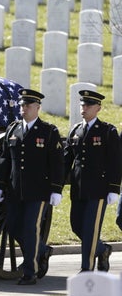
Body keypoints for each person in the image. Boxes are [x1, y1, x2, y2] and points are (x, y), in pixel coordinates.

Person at [0, 89, 63, 285]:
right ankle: (42, 250)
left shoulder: (49, 131)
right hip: (15, 190)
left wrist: (56, 189)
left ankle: (29, 272)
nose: (23, 108)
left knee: (30, 228)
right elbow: (5, 159)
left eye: (28, 105)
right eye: (22, 105)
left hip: (38, 191)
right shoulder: (13, 130)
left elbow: (57, 163)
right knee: (14, 227)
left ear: (37, 108)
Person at [64, 90, 121, 272]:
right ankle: (102, 249)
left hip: (99, 189)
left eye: (88, 105)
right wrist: (55, 186)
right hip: (79, 188)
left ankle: (86, 269)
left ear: (98, 108)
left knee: (89, 229)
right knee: (76, 226)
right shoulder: (75, 130)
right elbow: (66, 160)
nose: (84, 108)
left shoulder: (107, 131)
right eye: (82, 104)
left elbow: (115, 161)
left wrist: (114, 188)